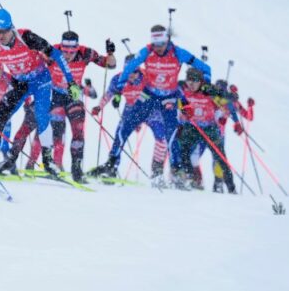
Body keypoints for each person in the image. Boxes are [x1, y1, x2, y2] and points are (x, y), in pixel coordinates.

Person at [0, 9, 81, 179]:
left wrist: (71, 82)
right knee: (0, 116)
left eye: (4, 31)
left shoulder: (27, 37)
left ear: (12, 28)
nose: (0, 35)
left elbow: (56, 55)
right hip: (20, 83)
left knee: (41, 116)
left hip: (41, 80)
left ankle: (48, 162)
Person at [89, 25, 211, 179]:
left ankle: (177, 170)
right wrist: (120, 87)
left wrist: (204, 86)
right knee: (125, 127)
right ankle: (111, 164)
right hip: (148, 96)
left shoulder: (179, 53)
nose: (158, 48)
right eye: (155, 44)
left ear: (167, 40)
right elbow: (129, 67)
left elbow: (206, 68)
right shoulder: (146, 51)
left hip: (169, 97)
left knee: (170, 133)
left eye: (161, 44)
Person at [26, 32, 115, 182]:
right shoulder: (53, 51)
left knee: (79, 131)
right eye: (64, 51)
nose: (67, 55)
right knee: (50, 131)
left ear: (77, 48)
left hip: (73, 95)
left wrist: (111, 53)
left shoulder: (86, 53)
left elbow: (109, 65)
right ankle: (32, 164)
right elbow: (34, 61)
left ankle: (76, 170)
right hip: (54, 95)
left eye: (71, 52)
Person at [172, 69, 237, 193]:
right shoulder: (182, 88)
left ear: (200, 81)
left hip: (209, 127)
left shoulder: (208, 90)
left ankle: (231, 186)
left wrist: (231, 97)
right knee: (183, 149)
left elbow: (223, 97)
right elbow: (172, 92)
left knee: (220, 156)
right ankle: (190, 178)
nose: (191, 84)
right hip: (192, 126)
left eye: (195, 81)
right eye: (189, 80)